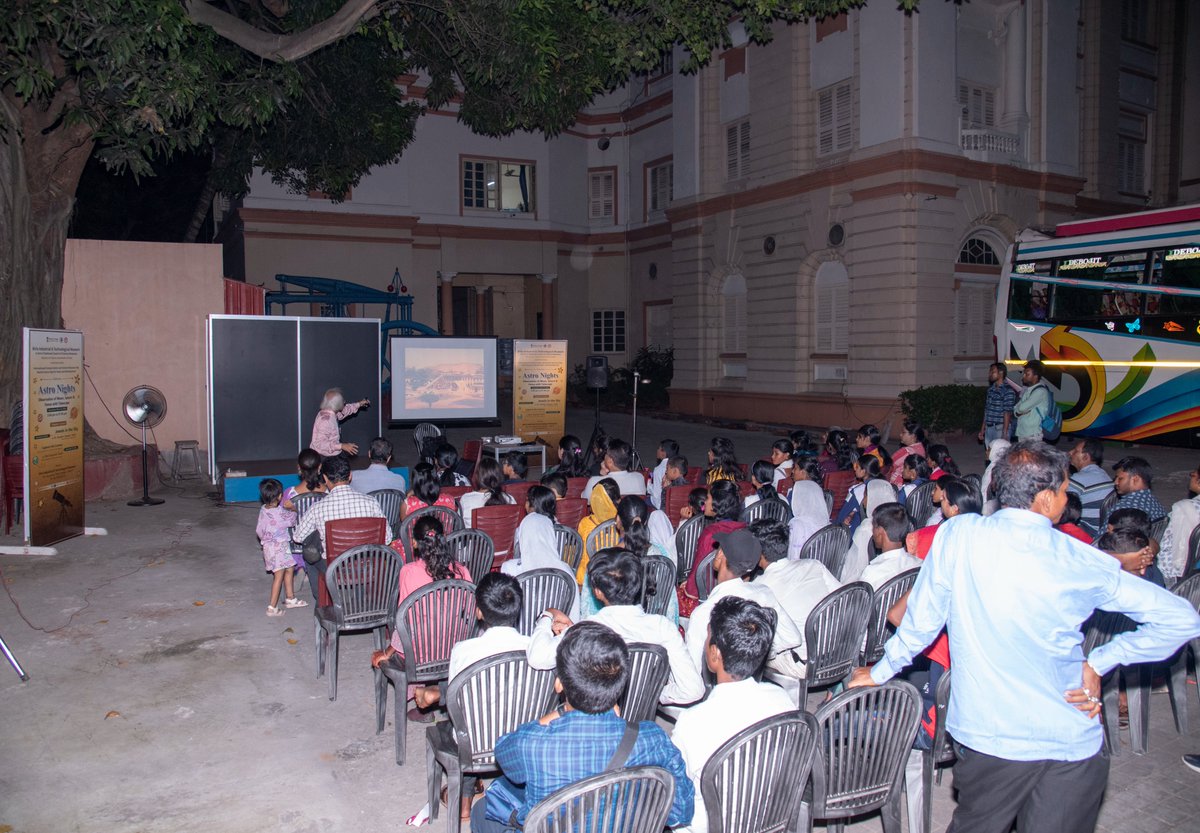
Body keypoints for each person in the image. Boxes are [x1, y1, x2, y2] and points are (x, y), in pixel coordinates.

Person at [848, 440, 1200, 833]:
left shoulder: (958, 534)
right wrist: (1099, 662)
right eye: (1064, 490)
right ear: (1046, 500)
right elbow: (1182, 618)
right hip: (1071, 743)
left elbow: (921, 622)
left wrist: (880, 672)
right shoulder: (1079, 556)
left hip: (990, 738)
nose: (1066, 498)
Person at [472, 622, 694, 833]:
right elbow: (681, 812)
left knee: (481, 811)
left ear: (559, 683)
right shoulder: (653, 738)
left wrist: (557, 713)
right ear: (620, 684)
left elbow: (503, 753)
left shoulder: (533, 743)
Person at [672, 596, 795, 833]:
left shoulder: (693, 722)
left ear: (715, 654)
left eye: (708, 636)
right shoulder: (783, 701)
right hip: (768, 819)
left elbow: (677, 799)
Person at [529, 549, 703, 705]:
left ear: (597, 592)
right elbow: (693, 690)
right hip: (640, 722)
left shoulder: (585, 629)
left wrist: (547, 615)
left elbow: (537, 657)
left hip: (596, 717)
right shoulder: (663, 627)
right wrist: (654, 694)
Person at [372, 515, 472, 722]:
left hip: (420, 655)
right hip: (456, 648)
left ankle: (421, 705)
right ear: (443, 539)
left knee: (416, 636)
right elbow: (470, 613)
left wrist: (388, 651)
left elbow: (405, 620)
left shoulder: (408, 572)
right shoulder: (462, 570)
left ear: (415, 543)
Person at [684, 529, 805, 680]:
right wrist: (757, 653)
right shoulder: (763, 592)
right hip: (754, 679)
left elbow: (691, 675)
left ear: (720, 555)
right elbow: (793, 638)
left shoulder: (704, 612)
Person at [410, 572, 530, 711]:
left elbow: (456, 700)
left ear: (478, 613)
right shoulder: (533, 647)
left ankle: (437, 692)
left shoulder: (463, 651)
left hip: (477, 723)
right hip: (524, 722)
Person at [292, 455, 392, 597]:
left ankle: (322, 601)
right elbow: (387, 538)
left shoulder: (318, 508)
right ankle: (362, 594)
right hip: (367, 565)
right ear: (350, 476)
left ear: (325, 478)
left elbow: (298, 537)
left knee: (310, 556)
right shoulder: (371, 502)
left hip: (335, 568)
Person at [580, 497, 678, 621]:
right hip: (653, 622)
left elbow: (588, 609)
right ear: (645, 522)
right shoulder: (661, 554)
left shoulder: (604, 560)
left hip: (611, 626)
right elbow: (670, 603)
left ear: (618, 520)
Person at [749, 518, 838, 648]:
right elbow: (845, 596)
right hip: (837, 646)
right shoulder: (814, 564)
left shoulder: (759, 588)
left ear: (757, 552)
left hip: (801, 657)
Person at [682, 480, 746, 602]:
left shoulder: (710, 534)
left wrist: (688, 588)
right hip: (737, 590)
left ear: (716, 504)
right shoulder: (743, 528)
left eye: (708, 498)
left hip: (710, 595)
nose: (705, 502)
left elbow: (699, 570)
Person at [255, 478, 304, 616]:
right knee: (279, 576)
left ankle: (290, 598)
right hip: (279, 548)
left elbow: (259, 530)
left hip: (270, 548)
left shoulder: (263, 510)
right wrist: (293, 509)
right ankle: (272, 607)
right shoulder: (280, 513)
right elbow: (292, 520)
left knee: (289, 568)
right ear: (280, 496)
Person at [858, 503, 922, 590]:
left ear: (880, 532)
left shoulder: (871, 573)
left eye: (873, 527)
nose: (872, 531)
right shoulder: (919, 564)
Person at [835, 454, 898, 537]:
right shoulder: (886, 486)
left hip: (861, 533)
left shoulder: (858, 491)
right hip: (884, 530)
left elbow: (842, 516)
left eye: (857, 467)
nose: (855, 470)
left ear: (863, 471)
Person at [1159, 463, 1200, 583]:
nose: (1192, 473)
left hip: (1184, 578)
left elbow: (1171, 559)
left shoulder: (1185, 508)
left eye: (1196, 472)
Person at [576, 478, 621, 583]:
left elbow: (582, 555)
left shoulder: (585, 523)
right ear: (618, 500)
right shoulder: (622, 522)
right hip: (617, 576)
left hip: (588, 577)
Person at [1067, 438, 1113, 537]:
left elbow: (1064, 508)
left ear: (1085, 457)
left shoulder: (1079, 479)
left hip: (1088, 531)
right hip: (1101, 529)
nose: (1070, 452)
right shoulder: (1104, 474)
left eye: (1075, 451)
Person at [1105, 456, 1167, 528]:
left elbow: (1103, 533)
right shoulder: (1154, 503)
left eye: (1120, 478)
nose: (1116, 482)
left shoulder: (1123, 509)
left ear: (1136, 479)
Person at [788, 459, 832, 558]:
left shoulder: (797, 491)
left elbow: (794, 558)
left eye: (795, 468)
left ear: (803, 473)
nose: (792, 471)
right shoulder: (817, 489)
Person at [310, 387, 368, 457]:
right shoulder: (325, 420)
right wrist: (341, 446)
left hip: (332, 454)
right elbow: (320, 444)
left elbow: (346, 410)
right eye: (342, 401)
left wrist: (359, 404)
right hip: (323, 456)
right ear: (336, 404)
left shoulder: (332, 413)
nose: (344, 402)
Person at [459, 457, 514, 528]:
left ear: (478, 477)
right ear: (499, 476)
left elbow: (458, 526)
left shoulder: (466, 499)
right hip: (505, 535)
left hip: (475, 535)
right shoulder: (510, 499)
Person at [1012, 360, 1053, 442]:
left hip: (1032, 434)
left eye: (1027, 374)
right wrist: (1018, 412)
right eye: (1024, 374)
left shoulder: (1040, 391)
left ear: (1035, 376)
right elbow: (1015, 409)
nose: (1023, 376)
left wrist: (1019, 411)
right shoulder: (1029, 390)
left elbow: (1021, 408)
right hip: (1023, 432)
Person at [978, 362, 1017, 447]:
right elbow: (987, 410)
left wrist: (1004, 433)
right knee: (989, 453)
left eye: (993, 371)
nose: (990, 374)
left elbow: (1007, 413)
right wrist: (982, 429)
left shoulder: (1008, 390)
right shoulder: (991, 390)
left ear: (1001, 373)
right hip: (989, 428)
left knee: (1000, 453)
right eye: (990, 372)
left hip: (1000, 428)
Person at [888, 421, 927, 488]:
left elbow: (889, 464)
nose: (900, 435)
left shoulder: (906, 451)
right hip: (915, 485)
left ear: (913, 436)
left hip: (897, 485)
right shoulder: (921, 448)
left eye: (903, 432)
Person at [649, 438, 679, 509]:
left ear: (663, 453)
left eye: (659, 449)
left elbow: (656, 495)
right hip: (675, 502)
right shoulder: (678, 466)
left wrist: (648, 484)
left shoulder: (659, 469)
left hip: (660, 504)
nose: (657, 450)